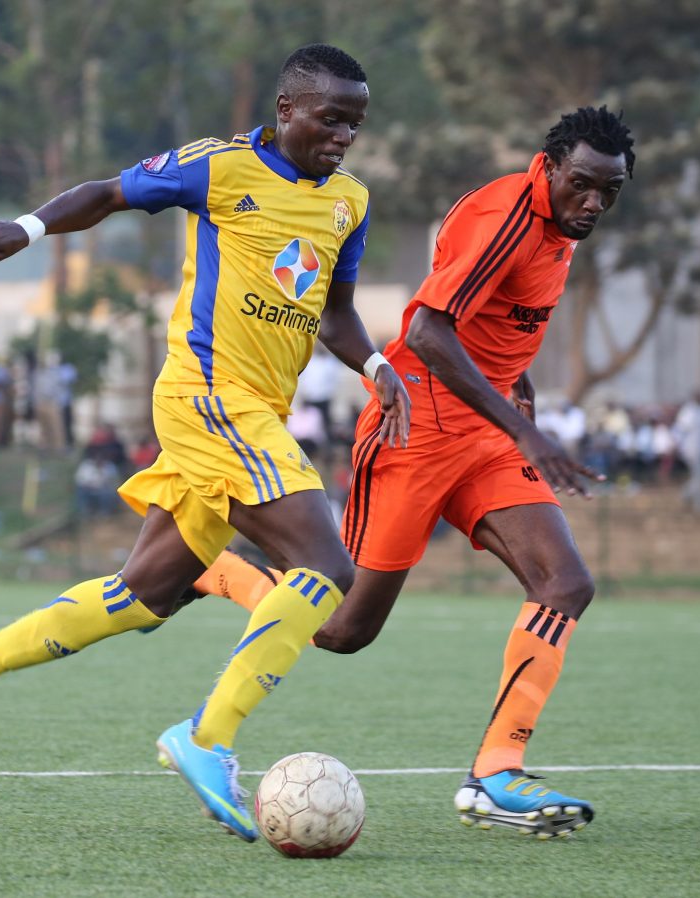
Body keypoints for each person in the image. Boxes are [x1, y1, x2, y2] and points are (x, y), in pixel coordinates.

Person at [0, 44, 411, 843]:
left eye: (355, 123)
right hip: (210, 398)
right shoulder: (217, 169)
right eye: (331, 119)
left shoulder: (349, 202)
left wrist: (379, 363)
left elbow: (335, 313)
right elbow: (107, 192)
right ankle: (209, 737)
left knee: (141, 597)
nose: (344, 137)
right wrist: (26, 227)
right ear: (286, 109)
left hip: (254, 412)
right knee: (326, 568)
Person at [195, 105, 635, 838]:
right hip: (417, 430)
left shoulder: (560, 224)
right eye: (583, 184)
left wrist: (513, 390)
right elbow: (428, 331)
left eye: (611, 191)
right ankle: (209, 567)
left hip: (484, 434)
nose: (594, 202)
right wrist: (526, 429)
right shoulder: (507, 218)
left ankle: (496, 774)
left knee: (566, 584)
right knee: (341, 629)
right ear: (550, 166)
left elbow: (494, 328)